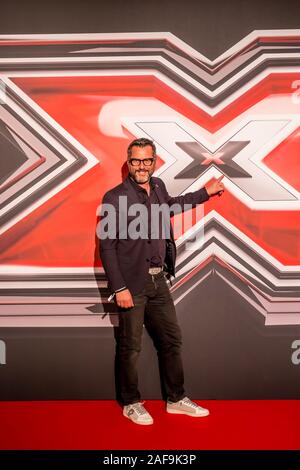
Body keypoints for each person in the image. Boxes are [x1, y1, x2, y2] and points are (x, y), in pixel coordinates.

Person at [99, 137, 224, 425]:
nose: (141, 166)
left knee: (172, 340)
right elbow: (106, 246)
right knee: (130, 347)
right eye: (135, 160)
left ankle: (176, 399)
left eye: (147, 160)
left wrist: (205, 193)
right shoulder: (114, 197)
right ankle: (130, 402)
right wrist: (119, 287)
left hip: (158, 281)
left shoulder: (158, 188)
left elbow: (172, 206)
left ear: (154, 162)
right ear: (128, 162)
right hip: (131, 284)